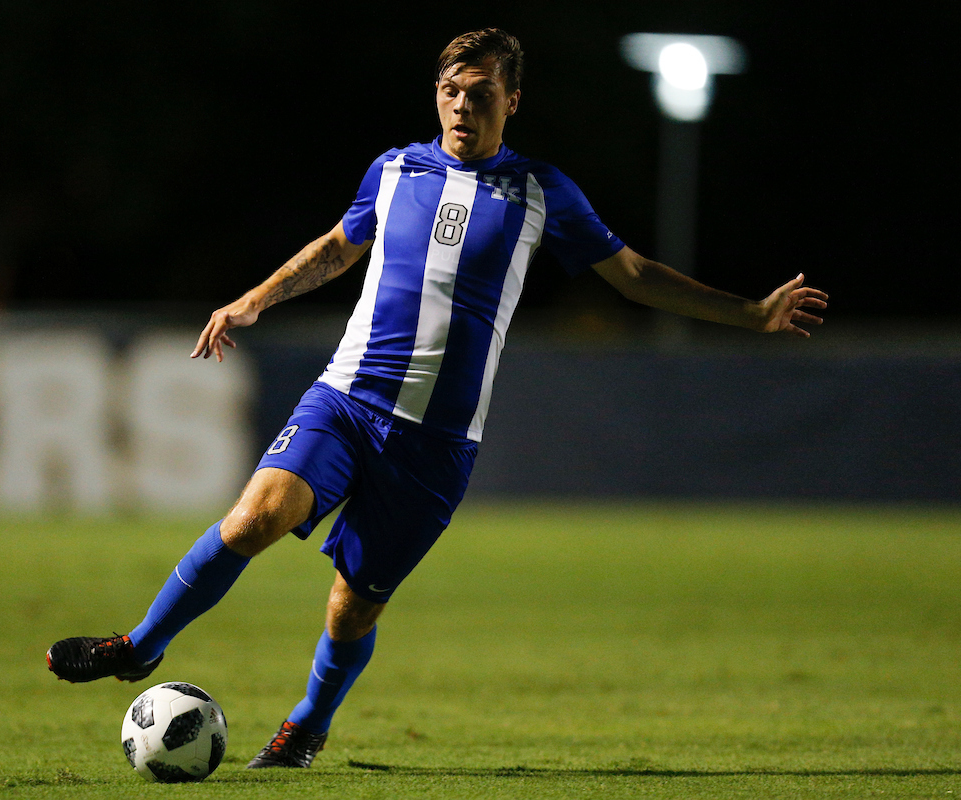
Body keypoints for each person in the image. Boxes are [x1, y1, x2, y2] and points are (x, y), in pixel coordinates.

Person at [46, 28, 827, 768]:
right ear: (436, 95)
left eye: (481, 92)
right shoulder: (394, 169)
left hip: (435, 445)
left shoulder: (541, 192)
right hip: (348, 400)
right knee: (252, 517)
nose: (462, 105)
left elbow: (635, 275)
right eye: (451, 90)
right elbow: (338, 247)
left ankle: (307, 726)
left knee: (353, 606)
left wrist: (750, 313)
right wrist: (256, 299)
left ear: (511, 101)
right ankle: (140, 646)